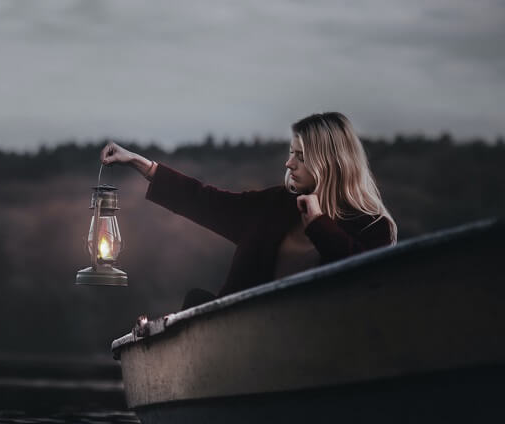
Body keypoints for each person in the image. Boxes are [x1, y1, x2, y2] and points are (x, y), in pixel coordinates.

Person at [100, 112, 397, 309]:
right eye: (290, 153)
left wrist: (319, 224)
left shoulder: (374, 228)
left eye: (301, 156)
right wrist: (141, 164)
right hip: (239, 348)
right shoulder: (273, 206)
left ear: (330, 162)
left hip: (317, 353)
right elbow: (204, 200)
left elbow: (366, 283)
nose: (289, 164)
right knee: (196, 302)